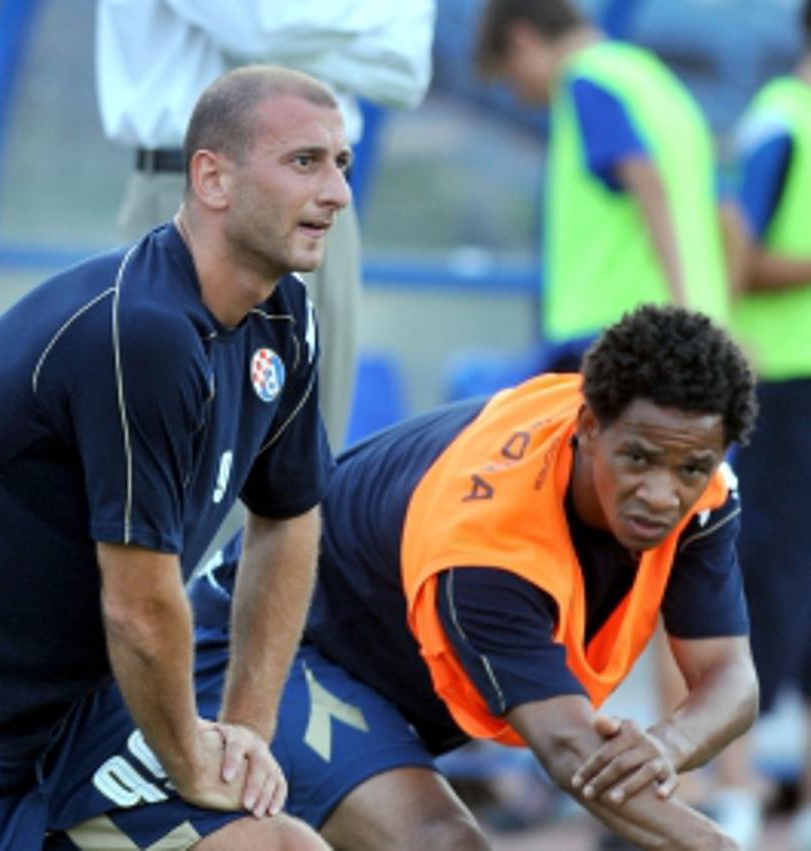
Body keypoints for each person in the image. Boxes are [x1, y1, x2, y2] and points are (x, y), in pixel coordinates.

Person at [0, 65, 350, 850]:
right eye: (305, 162)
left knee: (279, 844)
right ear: (212, 178)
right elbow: (138, 605)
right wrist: (191, 760)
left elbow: (289, 518)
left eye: (342, 164)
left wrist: (244, 731)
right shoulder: (145, 332)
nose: (337, 193)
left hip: (76, 718)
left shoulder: (285, 313)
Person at [45, 305, 760, 850]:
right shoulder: (488, 545)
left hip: (382, 677)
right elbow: (574, 754)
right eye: (638, 460)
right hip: (268, 648)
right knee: (439, 843)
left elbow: (729, 676)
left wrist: (666, 743)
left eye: (690, 467)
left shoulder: (697, 479)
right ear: (586, 426)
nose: (662, 494)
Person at [96, 0, 436, 451]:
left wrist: (290, 43)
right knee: (193, 464)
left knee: (309, 471)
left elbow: (408, 73)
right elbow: (259, 26)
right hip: (205, 191)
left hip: (330, 205)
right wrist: (371, 17)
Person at [474, 0, 730, 372]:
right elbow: (723, 213)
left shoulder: (587, 80)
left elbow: (645, 180)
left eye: (510, 76)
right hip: (687, 325)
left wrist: (681, 312)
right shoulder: (655, 82)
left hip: (615, 331)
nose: (519, 95)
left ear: (522, 39)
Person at [709, 5, 811, 847]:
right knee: (759, 576)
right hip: (783, 384)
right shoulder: (780, 120)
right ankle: (734, 792)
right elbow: (737, 250)